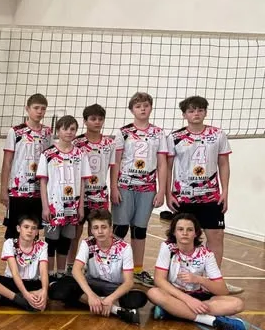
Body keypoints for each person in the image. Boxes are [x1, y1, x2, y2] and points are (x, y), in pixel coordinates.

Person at [165, 96, 241, 295]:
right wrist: (167, 193)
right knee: (180, 238)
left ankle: (214, 282)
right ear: (184, 115)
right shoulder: (175, 137)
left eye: (199, 110)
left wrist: (225, 191)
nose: (196, 114)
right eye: (191, 111)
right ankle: (178, 281)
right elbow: (168, 166)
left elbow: (223, 163)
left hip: (211, 196)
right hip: (184, 197)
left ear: (205, 112)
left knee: (216, 237)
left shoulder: (217, 134)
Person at [147, 213, 247, 330]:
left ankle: (172, 311)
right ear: (174, 232)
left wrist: (200, 280)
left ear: (196, 233)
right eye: (180, 229)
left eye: (189, 230)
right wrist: (188, 300)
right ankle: (211, 320)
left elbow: (223, 291)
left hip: (199, 297)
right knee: (153, 293)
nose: (185, 233)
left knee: (238, 304)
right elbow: (159, 280)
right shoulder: (168, 248)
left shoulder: (206, 254)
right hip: (175, 295)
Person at [109, 92, 167, 287]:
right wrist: (114, 187)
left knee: (140, 230)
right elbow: (116, 162)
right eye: (138, 106)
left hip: (147, 188)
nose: (142, 109)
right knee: (120, 228)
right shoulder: (123, 132)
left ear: (151, 107)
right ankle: (114, 267)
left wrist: (161, 190)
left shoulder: (158, 133)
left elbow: (162, 164)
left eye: (146, 105)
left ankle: (137, 270)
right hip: (125, 186)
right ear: (132, 110)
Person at [49, 209, 148, 324]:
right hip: (92, 285)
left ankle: (90, 302)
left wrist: (111, 298)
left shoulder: (124, 247)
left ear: (111, 229)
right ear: (91, 230)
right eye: (96, 228)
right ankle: (116, 310)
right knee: (56, 291)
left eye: (104, 227)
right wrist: (91, 295)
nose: (100, 231)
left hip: (114, 288)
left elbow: (129, 282)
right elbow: (76, 270)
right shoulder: (87, 243)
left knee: (138, 298)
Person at [38, 115, 90, 278]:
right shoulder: (48, 154)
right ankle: (49, 273)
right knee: (51, 241)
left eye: (72, 129)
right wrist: (45, 207)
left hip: (72, 206)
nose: (69, 132)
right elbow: (43, 182)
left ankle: (61, 272)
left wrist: (81, 207)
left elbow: (82, 182)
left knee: (66, 240)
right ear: (58, 131)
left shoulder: (80, 154)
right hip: (54, 206)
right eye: (65, 128)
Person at [66, 104, 116, 272]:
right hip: (79, 196)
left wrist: (113, 188)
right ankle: (71, 265)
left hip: (100, 196)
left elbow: (113, 168)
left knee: (97, 233)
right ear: (85, 121)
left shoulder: (109, 143)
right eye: (93, 119)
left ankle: (93, 266)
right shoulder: (77, 143)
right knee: (75, 233)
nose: (97, 122)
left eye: (100, 119)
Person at [0, 215, 49, 311]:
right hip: (11, 281)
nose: (30, 231)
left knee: (52, 289)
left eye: (33, 228)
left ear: (37, 232)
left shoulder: (42, 246)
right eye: (26, 227)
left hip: (32, 284)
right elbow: (15, 273)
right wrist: (25, 294)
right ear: (18, 228)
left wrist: (44, 291)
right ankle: (19, 300)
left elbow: (43, 272)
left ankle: (5, 297)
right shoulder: (10, 243)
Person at [1, 94, 51, 239]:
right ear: (27, 109)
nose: (39, 111)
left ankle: (32, 254)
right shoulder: (16, 131)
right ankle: (10, 255)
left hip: (38, 191)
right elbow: (7, 162)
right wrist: (3, 190)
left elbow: (49, 162)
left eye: (43, 108)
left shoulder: (47, 132)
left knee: (33, 230)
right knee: (13, 230)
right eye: (36, 108)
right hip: (18, 191)